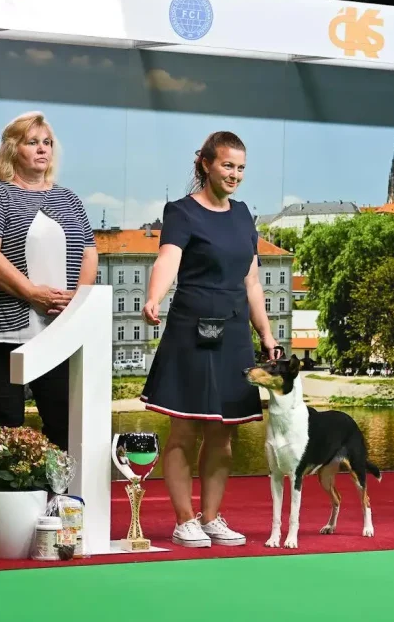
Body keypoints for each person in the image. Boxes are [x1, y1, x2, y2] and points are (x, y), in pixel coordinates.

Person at [140, 131, 279, 548]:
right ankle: (184, 521)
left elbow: (252, 282)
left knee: (224, 435)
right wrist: (154, 296)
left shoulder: (243, 215)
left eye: (241, 168)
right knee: (184, 432)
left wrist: (266, 334)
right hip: (191, 329)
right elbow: (168, 260)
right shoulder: (181, 212)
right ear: (205, 163)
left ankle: (211, 517)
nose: (235, 174)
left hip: (234, 333)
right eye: (227, 165)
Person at [0, 111, 97, 452]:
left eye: (47, 142)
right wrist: (32, 293)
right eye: (32, 142)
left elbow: (89, 252)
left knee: (66, 425)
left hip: (59, 330)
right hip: (2, 331)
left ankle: (61, 488)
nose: (42, 149)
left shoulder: (69, 199)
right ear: (12, 149)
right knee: (5, 426)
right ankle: (11, 490)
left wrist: (76, 302)